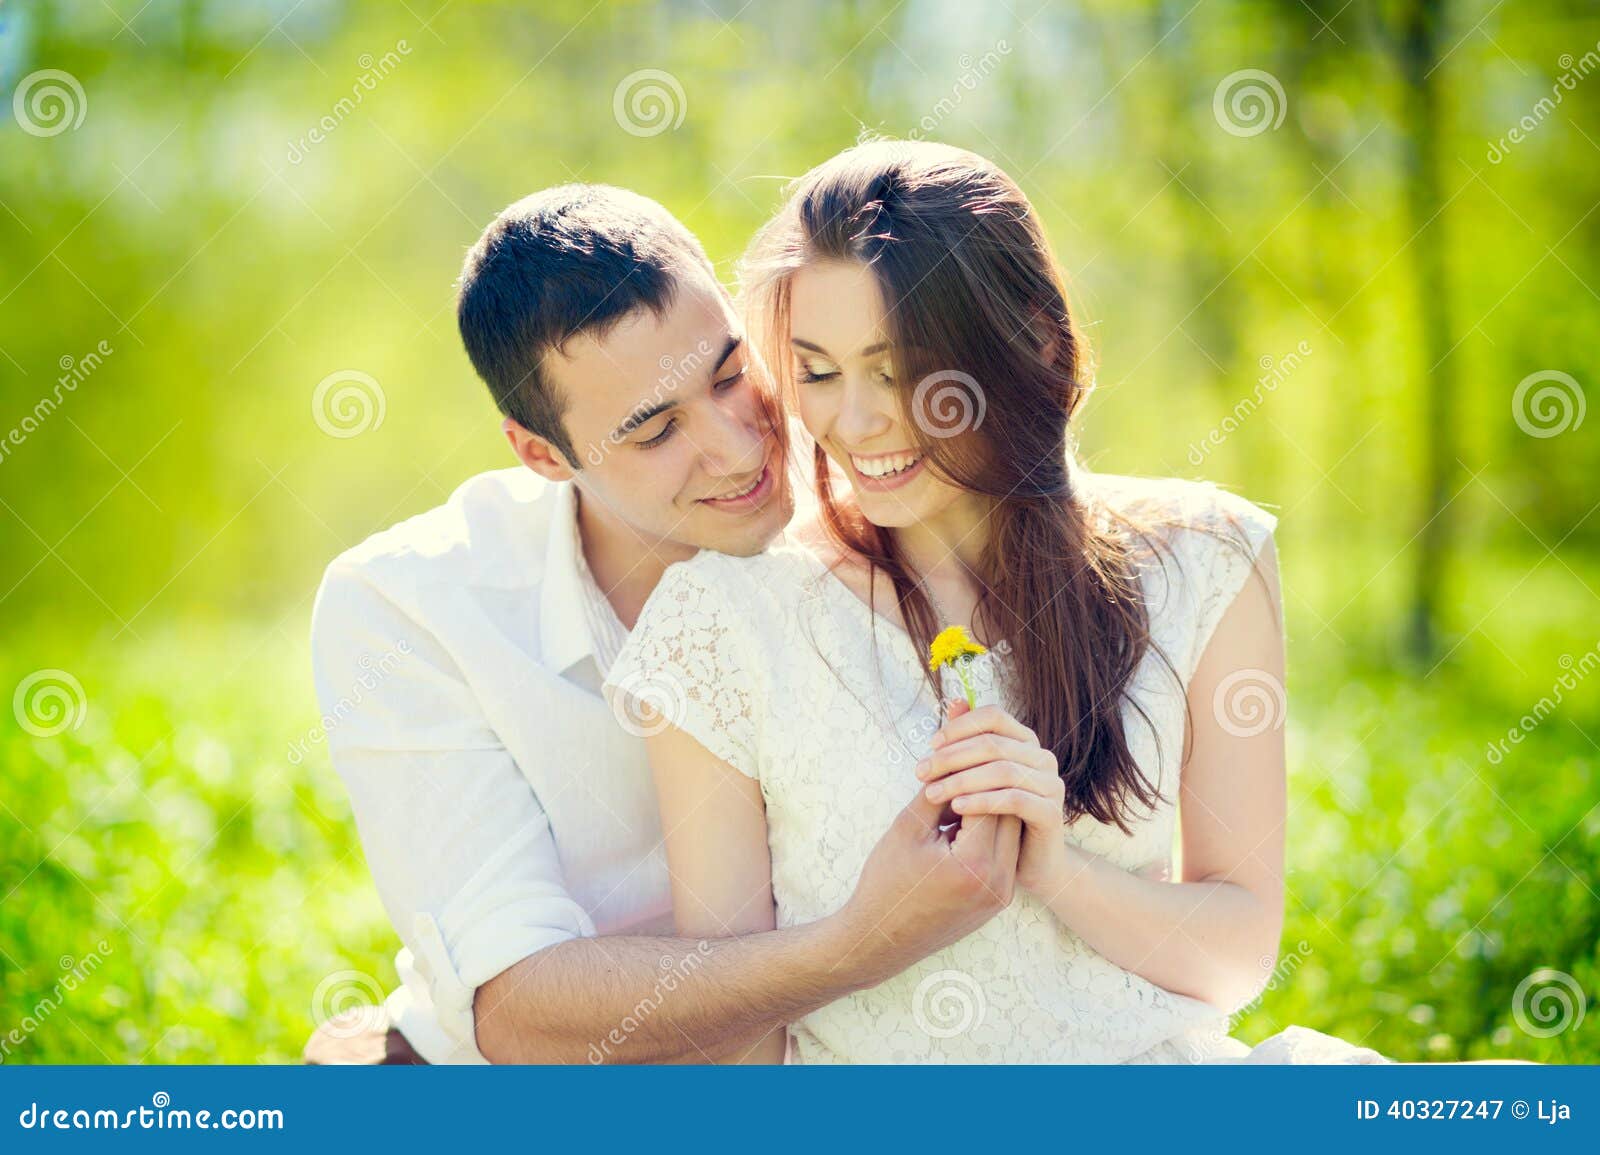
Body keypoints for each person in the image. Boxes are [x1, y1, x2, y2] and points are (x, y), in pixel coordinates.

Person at [603, 140, 1390, 1063]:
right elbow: (731, 1043)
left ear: (1032, 340)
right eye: (816, 372)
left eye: (898, 369)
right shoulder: (727, 618)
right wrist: (873, 930)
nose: (854, 424)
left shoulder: (1202, 556)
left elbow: (1233, 962)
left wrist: (1054, 869)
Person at [309, 183, 1022, 1063]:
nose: (739, 446)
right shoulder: (410, 604)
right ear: (543, 455)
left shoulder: (874, 476)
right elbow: (519, 1009)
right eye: (655, 433)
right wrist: (858, 944)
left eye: (730, 375)